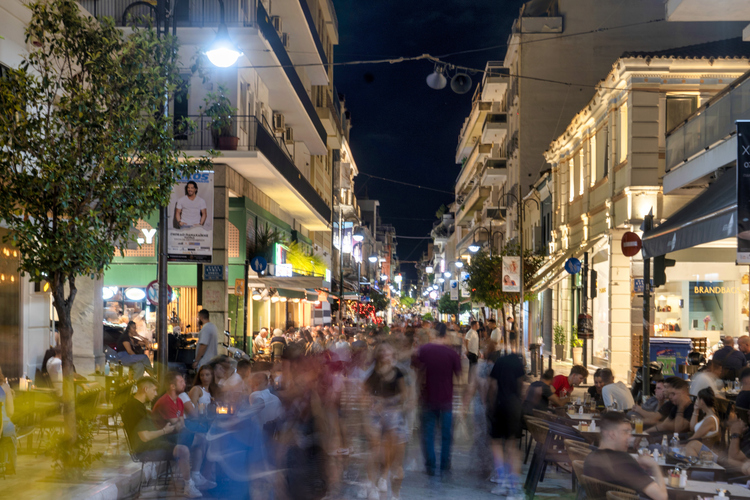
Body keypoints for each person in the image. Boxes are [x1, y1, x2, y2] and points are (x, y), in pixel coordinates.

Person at [120, 377, 203, 498]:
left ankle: (192, 476)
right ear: (145, 389)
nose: (155, 393)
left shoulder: (137, 405)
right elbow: (144, 437)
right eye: (154, 390)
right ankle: (188, 484)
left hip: (155, 443)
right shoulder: (134, 407)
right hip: (146, 449)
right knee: (183, 449)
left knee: (193, 438)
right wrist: (164, 431)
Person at [412, 322, 462, 477]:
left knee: (428, 433)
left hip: (427, 397)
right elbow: (459, 377)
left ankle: (431, 465)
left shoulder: (424, 350)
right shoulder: (452, 353)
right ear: (445, 334)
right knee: (446, 434)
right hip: (446, 399)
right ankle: (445, 464)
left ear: (433, 333)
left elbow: (416, 369)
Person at [583, 412, 667, 500]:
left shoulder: (591, 457)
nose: (630, 438)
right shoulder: (622, 461)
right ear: (612, 434)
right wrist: (654, 466)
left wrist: (636, 469)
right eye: (625, 432)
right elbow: (661, 496)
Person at [363, 342, 408, 500]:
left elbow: (404, 395)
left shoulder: (398, 372)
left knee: (393, 453)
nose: (384, 354)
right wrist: (373, 403)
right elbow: (364, 392)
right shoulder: (372, 373)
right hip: (377, 414)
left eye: (387, 352)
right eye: (381, 352)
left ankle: (386, 481)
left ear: (392, 355)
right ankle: (372, 484)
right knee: (374, 450)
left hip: (394, 415)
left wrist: (388, 402)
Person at [488, 350, 526, 498]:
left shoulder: (499, 362)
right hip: (514, 406)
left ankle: (502, 480)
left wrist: (491, 404)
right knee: (512, 446)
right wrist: (519, 400)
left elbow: (492, 385)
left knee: (496, 443)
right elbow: (521, 384)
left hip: (500, 404)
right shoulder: (518, 363)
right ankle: (514, 487)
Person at [684, 388, 720, 457]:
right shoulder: (708, 416)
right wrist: (695, 410)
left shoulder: (710, 420)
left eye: (697, 399)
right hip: (699, 449)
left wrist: (680, 444)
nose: (696, 401)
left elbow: (695, 437)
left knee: (688, 445)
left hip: (705, 454)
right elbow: (692, 428)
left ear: (702, 401)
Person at [0, 365, 16, 474]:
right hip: (3, 426)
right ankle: (9, 466)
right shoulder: (5, 387)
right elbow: (11, 411)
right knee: (10, 428)